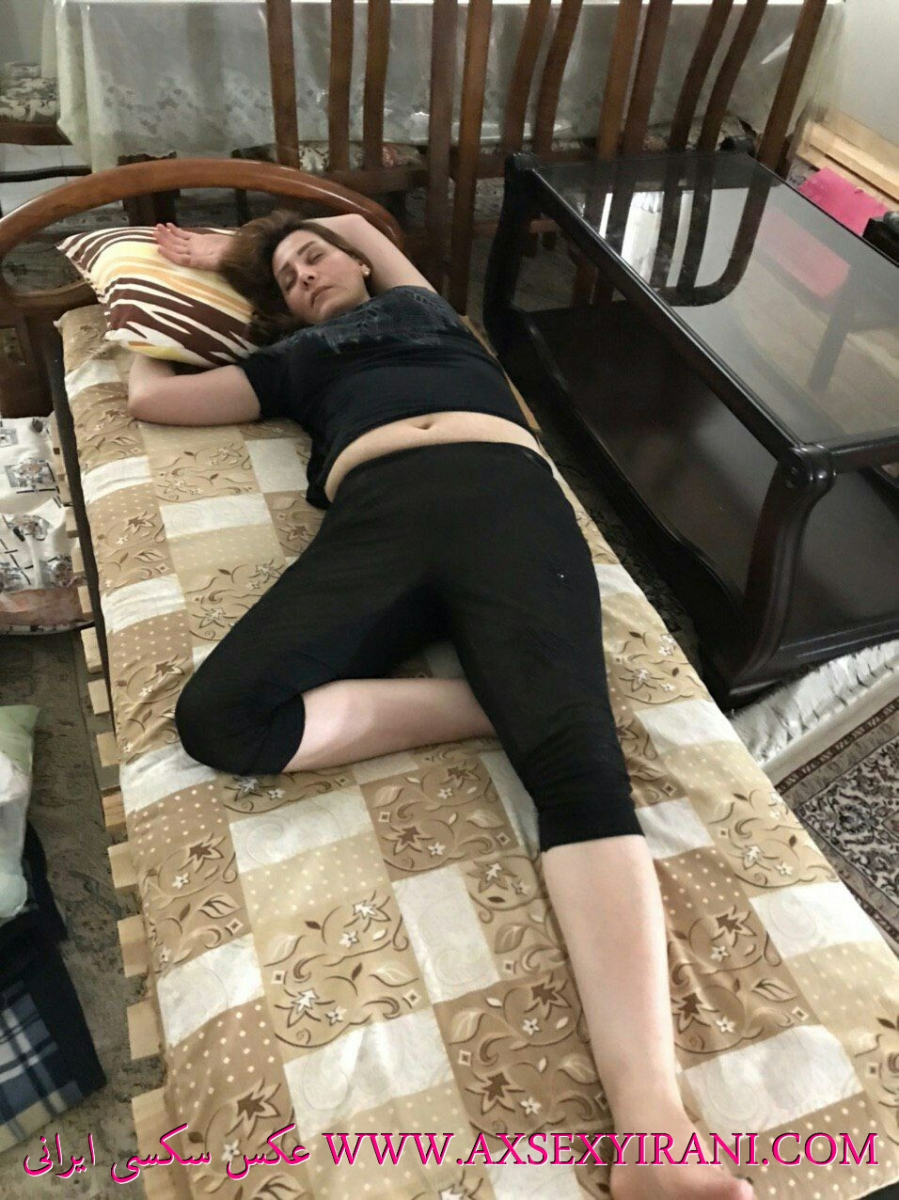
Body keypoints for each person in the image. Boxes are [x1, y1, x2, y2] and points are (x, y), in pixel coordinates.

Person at [129, 212, 755, 1200]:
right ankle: (493, 705)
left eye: (314, 255)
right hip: (378, 517)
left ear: (359, 260)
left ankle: (651, 1133)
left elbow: (348, 217)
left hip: (506, 497)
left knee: (579, 774)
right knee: (221, 718)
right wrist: (147, 309)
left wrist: (238, 244)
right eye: (287, 278)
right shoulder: (291, 360)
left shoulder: (422, 306)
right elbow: (151, 399)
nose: (308, 271)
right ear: (281, 312)